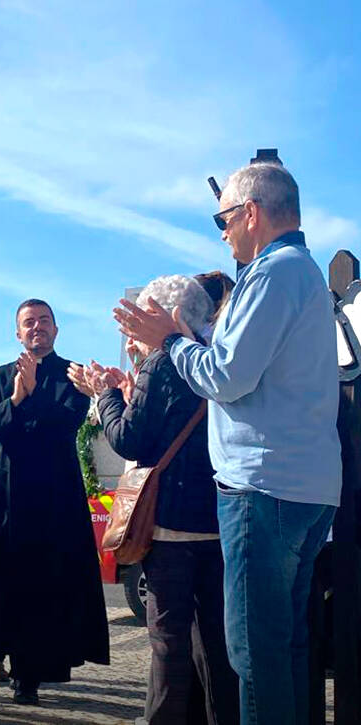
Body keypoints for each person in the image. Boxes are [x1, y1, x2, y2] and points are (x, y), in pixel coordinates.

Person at [116, 162, 341, 725]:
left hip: (262, 486)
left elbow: (225, 377)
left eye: (223, 218)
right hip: (304, 484)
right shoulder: (301, 273)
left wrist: (170, 342)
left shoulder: (271, 274)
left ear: (251, 213)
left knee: (253, 654)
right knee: (284, 645)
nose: (221, 232)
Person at [77, 276, 238, 725]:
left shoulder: (162, 363)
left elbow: (130, 439)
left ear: (165, 316)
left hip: (169, 523)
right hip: (218, 515)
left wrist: (106, 396)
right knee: (215, 642)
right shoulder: (216, 354)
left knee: (168, 638)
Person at [0, 298, 109, 706]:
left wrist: (31, 400)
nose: (37, 328)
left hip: (55, 498)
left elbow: (66, 423)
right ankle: (16, 667)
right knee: (9, 580)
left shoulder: (73, 376)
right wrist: (17, 399)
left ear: (56, 329)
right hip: (9, 494)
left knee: (49, 582)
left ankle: (38, 668)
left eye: (44, 321)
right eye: (29, 323)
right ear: (17, 333)